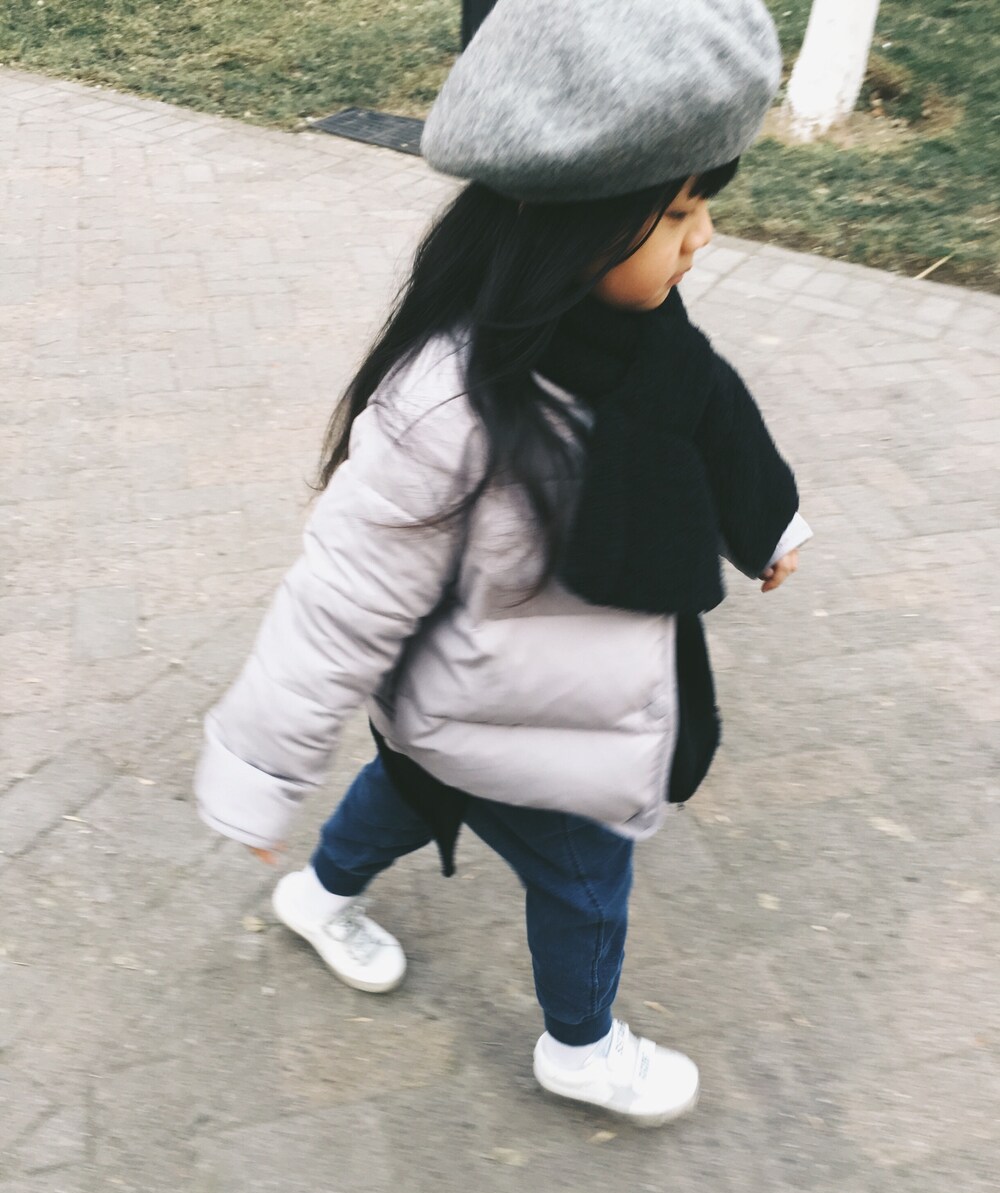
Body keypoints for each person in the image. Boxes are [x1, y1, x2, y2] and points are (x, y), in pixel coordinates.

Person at [195, 0, 812, 1127]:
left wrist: (766, 525)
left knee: (405, 789)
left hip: (481, 708)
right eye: (678, 213)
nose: (703, 238)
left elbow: (713, 418)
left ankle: (320, 893)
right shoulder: (448, 402)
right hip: (520, 725)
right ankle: (582, 1047)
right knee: (587, 883)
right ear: (574, 226)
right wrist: (255, 769)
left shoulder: (641, 331)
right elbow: (339, 602)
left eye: (701, 206)